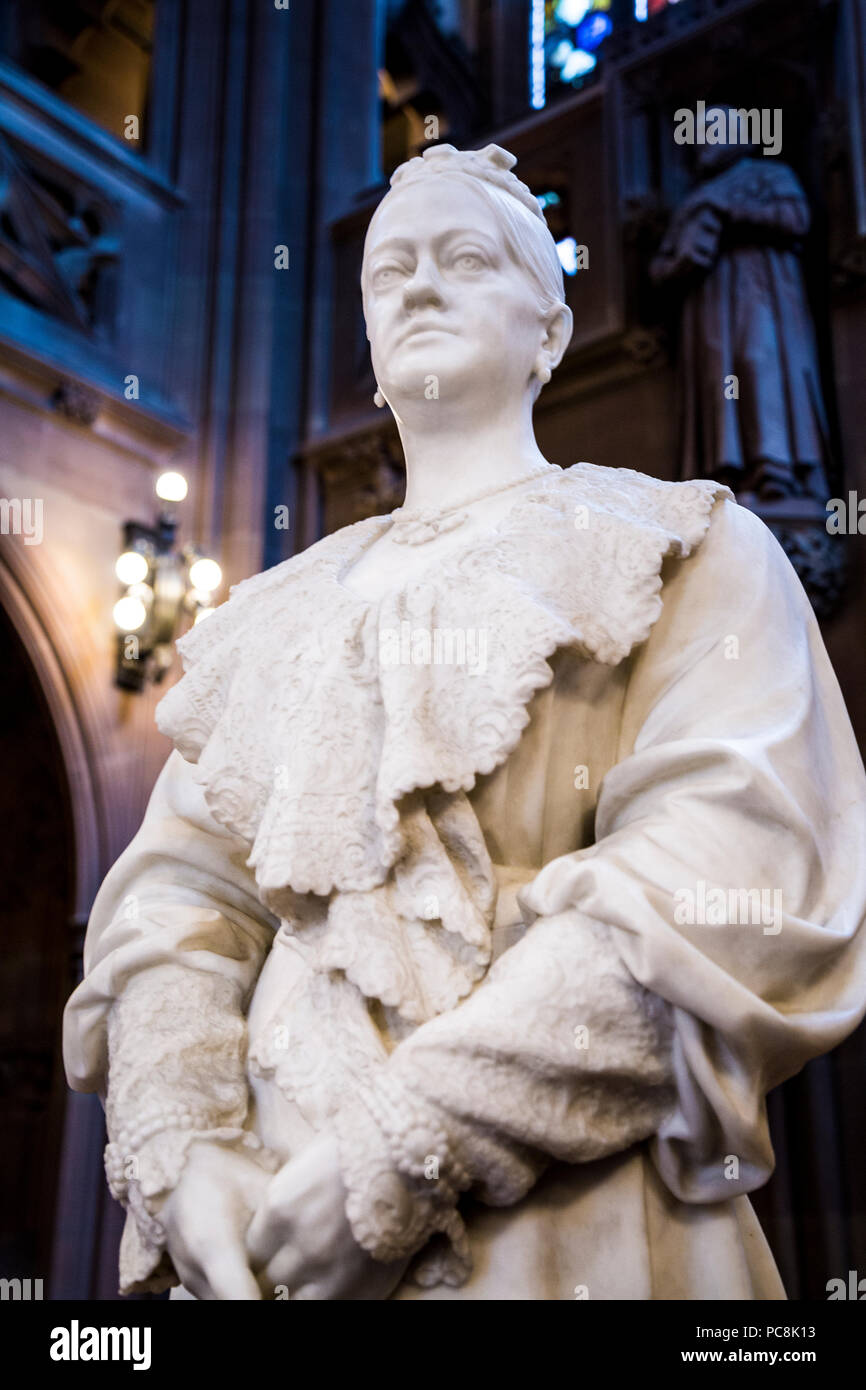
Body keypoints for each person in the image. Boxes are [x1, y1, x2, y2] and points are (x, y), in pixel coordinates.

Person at [63, 143, 866, 1300]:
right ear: (369, 354)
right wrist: (183, 1142)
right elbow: (180, 898)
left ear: (548, 332)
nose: (418, 287)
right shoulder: (264, 616)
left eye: (464, 258)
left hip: (557, 1226)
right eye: (388, 273)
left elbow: (728, 864)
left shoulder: (684, 546)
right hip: (264, 1238)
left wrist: (413, 1136)